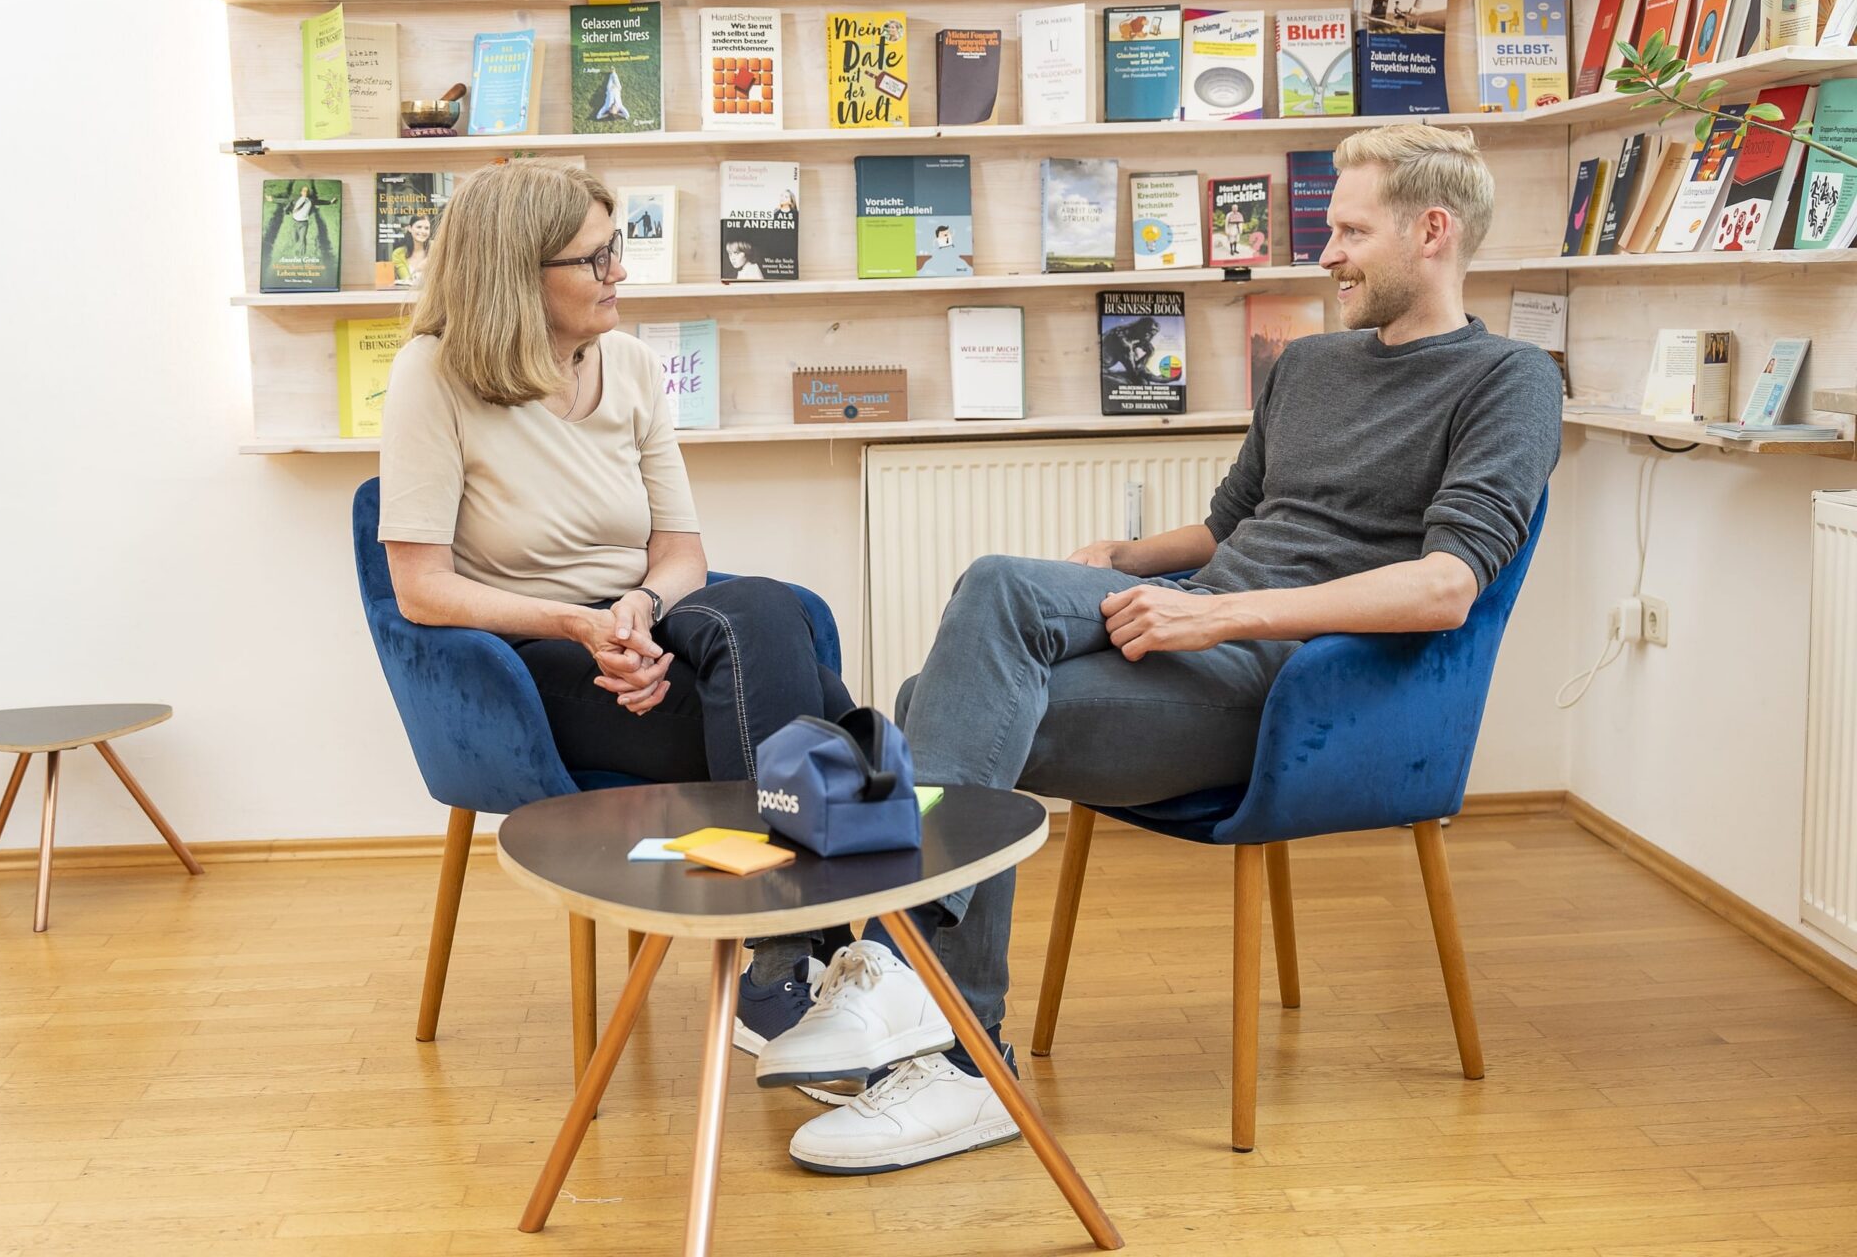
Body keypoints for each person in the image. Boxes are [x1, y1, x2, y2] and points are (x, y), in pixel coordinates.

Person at [754, 124, 1562, 1174]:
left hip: (1289, 695)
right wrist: (1127, 557)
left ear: (1434, 230)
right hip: (1195, 631)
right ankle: (937, 1018)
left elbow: (1449, 587)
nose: (1326, 254)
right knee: (996, 597)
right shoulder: (1308, 365)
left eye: (1351, 230)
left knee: (935, 692)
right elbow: (1231, 530)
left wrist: (1213, 616)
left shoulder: (1507, 381)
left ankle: (948, 1040)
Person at [377, 161, 855, 1060]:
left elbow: (683, 557)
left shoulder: (631, 366)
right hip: (536, 660)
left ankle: (782, 957)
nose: (620, 274)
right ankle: (815, 956)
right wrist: (580, 625)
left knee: (757, 610)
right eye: (595, 259)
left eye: (617, 249)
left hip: (640, 627)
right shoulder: (431, 374)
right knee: (816, 710)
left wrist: (635, 606)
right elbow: (420, 588)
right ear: (518, 275)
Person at [390, 213, 433, 286]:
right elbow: (406, 281)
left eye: (426, 228)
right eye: (419, 227)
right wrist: (418, 269)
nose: (423, 231)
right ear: (410, 228)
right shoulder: (398, 254)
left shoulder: (436, 248)